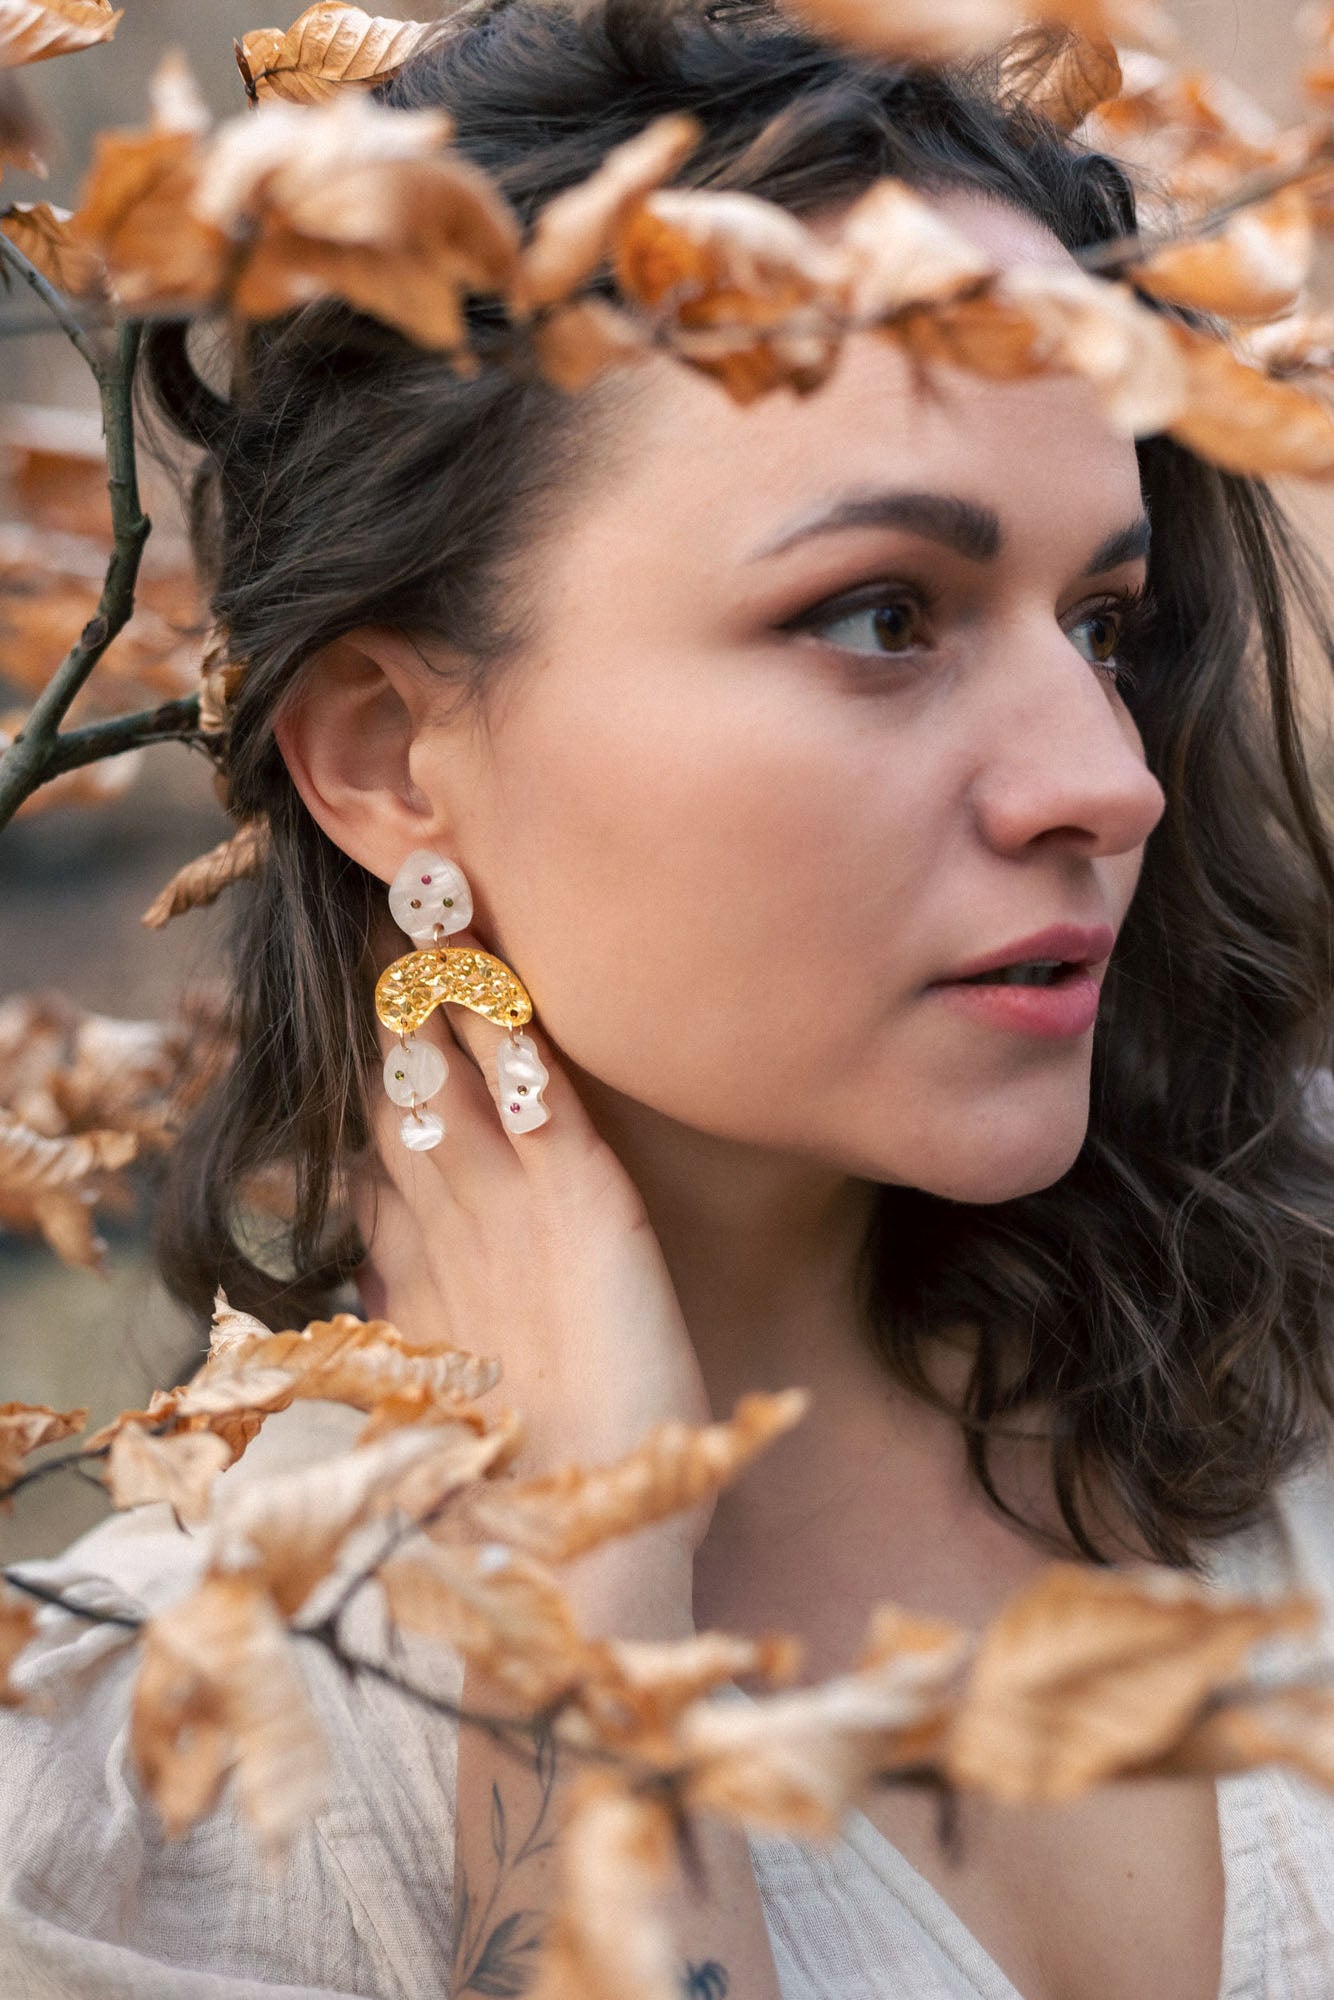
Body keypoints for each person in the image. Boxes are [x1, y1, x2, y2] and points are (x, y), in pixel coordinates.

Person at [3, 2, 1334, 1995]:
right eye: (881, 615)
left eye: (1103, 624)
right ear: (384, 754)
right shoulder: (168, 1784)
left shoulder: (1288, 1357)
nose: (1106, 778)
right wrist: (595, 1607)